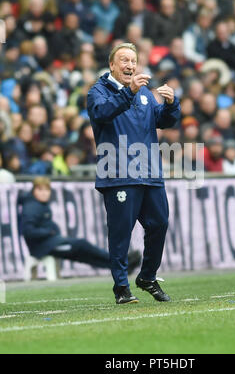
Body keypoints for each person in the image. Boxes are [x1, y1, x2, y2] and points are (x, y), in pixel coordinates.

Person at [87, 43, 181, 304]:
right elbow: (103, 113)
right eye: (124, 60)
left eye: (133, 60)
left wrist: (172, 105)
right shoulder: (98, 92)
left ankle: (147, 276)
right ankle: (121, 287)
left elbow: (163, 120)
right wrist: (129, 91)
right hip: (118, 173)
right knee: (120, 233)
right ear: (112, 65)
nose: (129, 65)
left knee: (159, 224)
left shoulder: (144, 94)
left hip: (150, 173)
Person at [19, 176, 142, 274]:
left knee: (82, 253)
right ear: (34, 190)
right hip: (42, 247)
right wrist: (49, 232)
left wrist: (51, 231)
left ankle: (122, 265)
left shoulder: (38, 205)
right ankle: (122, 263)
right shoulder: (31, 207)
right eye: (40, 190)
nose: (45, 193)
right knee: (81, 246)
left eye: (47, 190)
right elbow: (28, 231)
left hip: (50, 242)